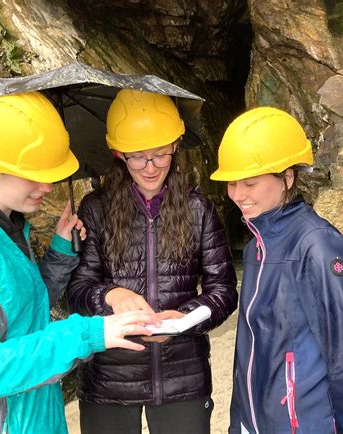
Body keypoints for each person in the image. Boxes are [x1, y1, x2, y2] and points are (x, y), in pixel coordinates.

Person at [0, 91, 157, 434]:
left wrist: (60, 254)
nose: (47, 185)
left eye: (50, 172)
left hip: (33, 417)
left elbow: (22, 312)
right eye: (34, 172)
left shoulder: (5, 225)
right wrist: (89, 333)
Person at [67, 89, 238, 434]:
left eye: (160, 155)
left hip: (182, 377)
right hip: (109, 378)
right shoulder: (95, 209)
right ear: (118, 154)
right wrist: (110, 296)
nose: (151, 167)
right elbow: (77, 289)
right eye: (138, 157)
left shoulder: (197, 208)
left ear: (175, 146)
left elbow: (224, 289)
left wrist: (188, 317)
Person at [210, 107, 343, 434]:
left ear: (287, 177)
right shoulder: (257, 246)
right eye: (232, 183)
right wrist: (239, 423)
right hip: (260, 423)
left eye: (250, 182)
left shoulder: (319, 248)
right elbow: (248, 351)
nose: (237, 195)